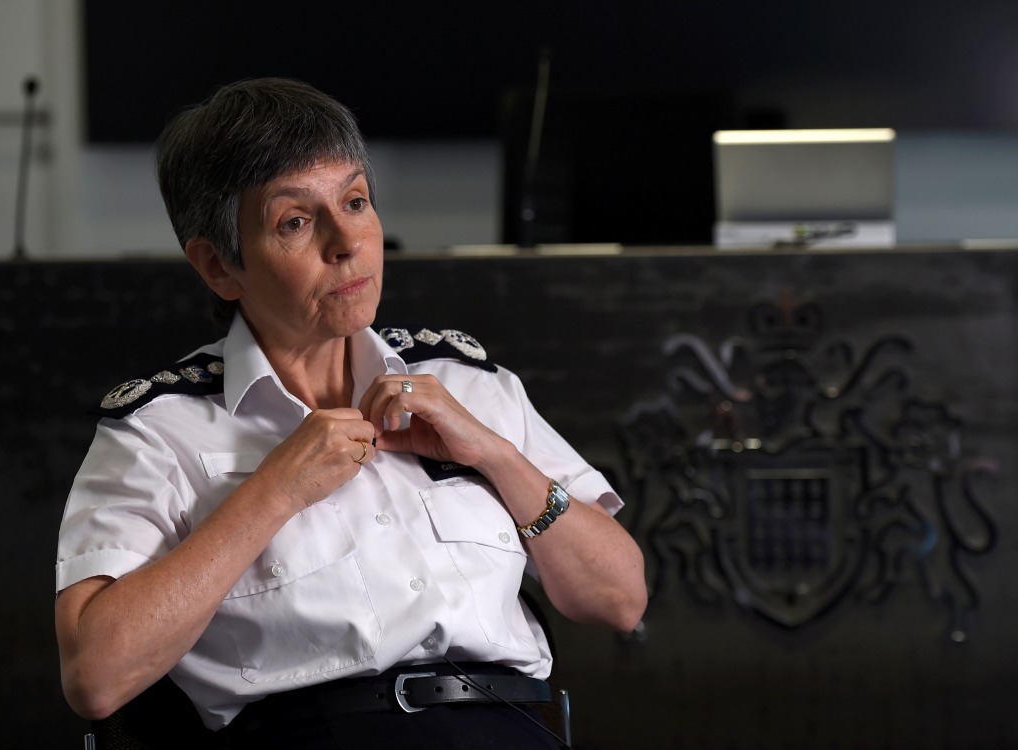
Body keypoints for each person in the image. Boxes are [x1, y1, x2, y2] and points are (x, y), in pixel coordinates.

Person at [54, 77, 647, 748]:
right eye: (296, 222)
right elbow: (95, 676)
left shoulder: (464, 383)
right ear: (220, 267)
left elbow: (620, 599)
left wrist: (495, 456)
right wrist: (274, 492)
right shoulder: (161, 432)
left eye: (356, 201)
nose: (347, 242)